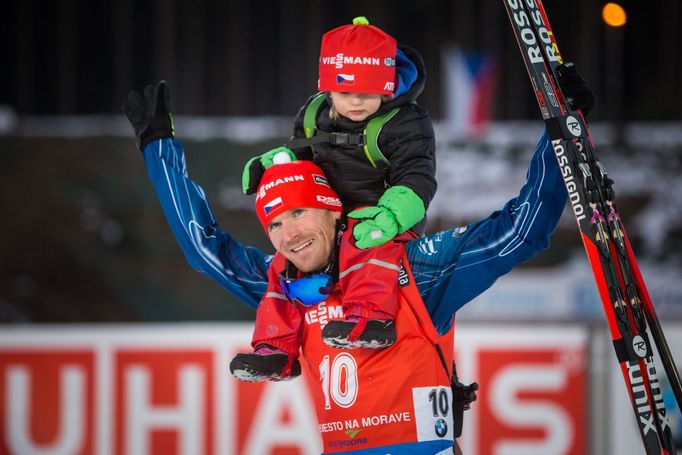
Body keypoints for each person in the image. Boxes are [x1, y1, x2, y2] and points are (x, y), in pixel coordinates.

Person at [121, 67, 594, 455]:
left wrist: (562, 131)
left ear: (332, 210)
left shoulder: (412, 271)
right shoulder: (285, 291)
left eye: (299, 213)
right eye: (275, 225)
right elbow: (207, 250)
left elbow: (521, 230)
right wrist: (160, 149)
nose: (289, 236)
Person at [240, 17, 437, 365]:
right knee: (283, 263)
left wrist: (389, 216)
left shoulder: (406, 122)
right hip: (329, 218)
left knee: (362, 242)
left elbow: (418, 177)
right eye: (346, 93)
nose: (356, 102)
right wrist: (275, 162)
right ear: (328, 88)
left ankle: (371, 318)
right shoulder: (315, 113)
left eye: (368, 93)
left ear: (386, 87)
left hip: (384, 220)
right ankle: (276, 350)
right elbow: (302, 154)